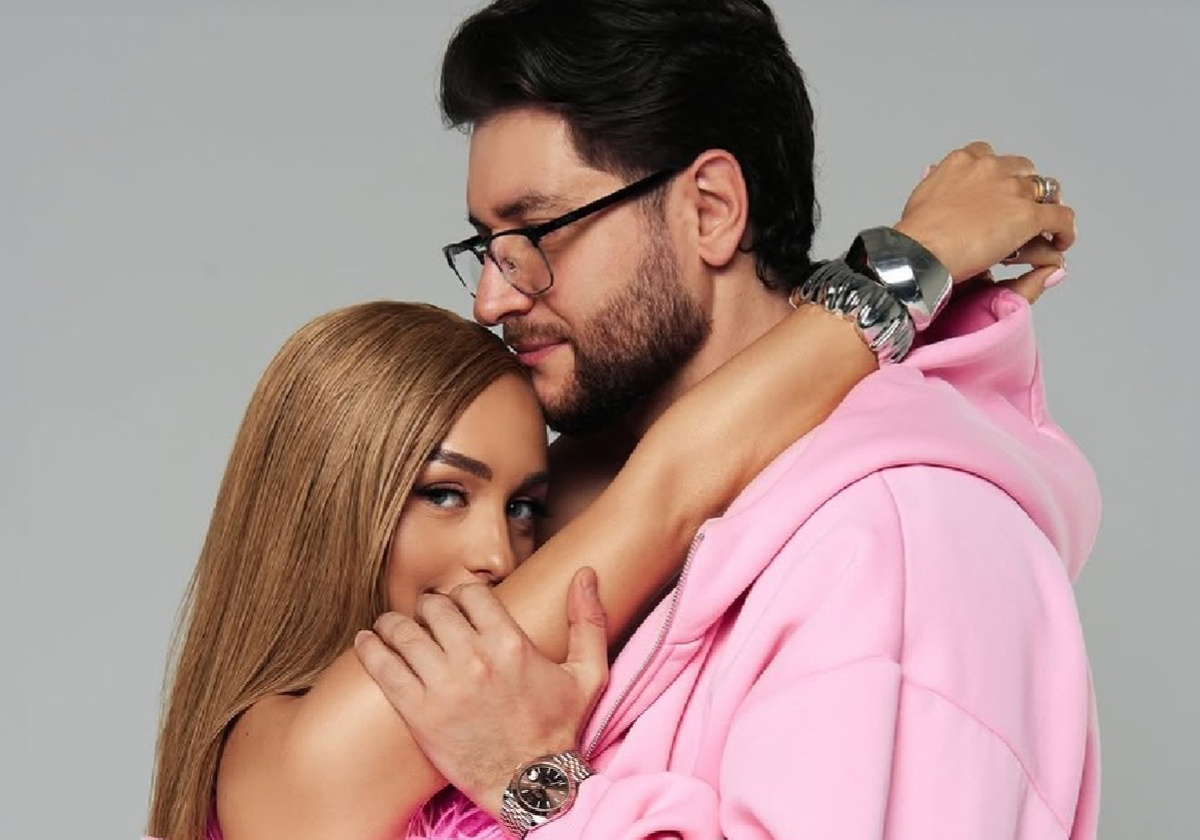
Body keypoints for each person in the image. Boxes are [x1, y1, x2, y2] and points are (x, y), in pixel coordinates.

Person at [351, 2, 1100, 839]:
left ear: (710, 209)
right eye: (487, 247)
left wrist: (539, 787)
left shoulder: (896, 538)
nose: (492, 300)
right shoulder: (565, 520)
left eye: (536, 234)